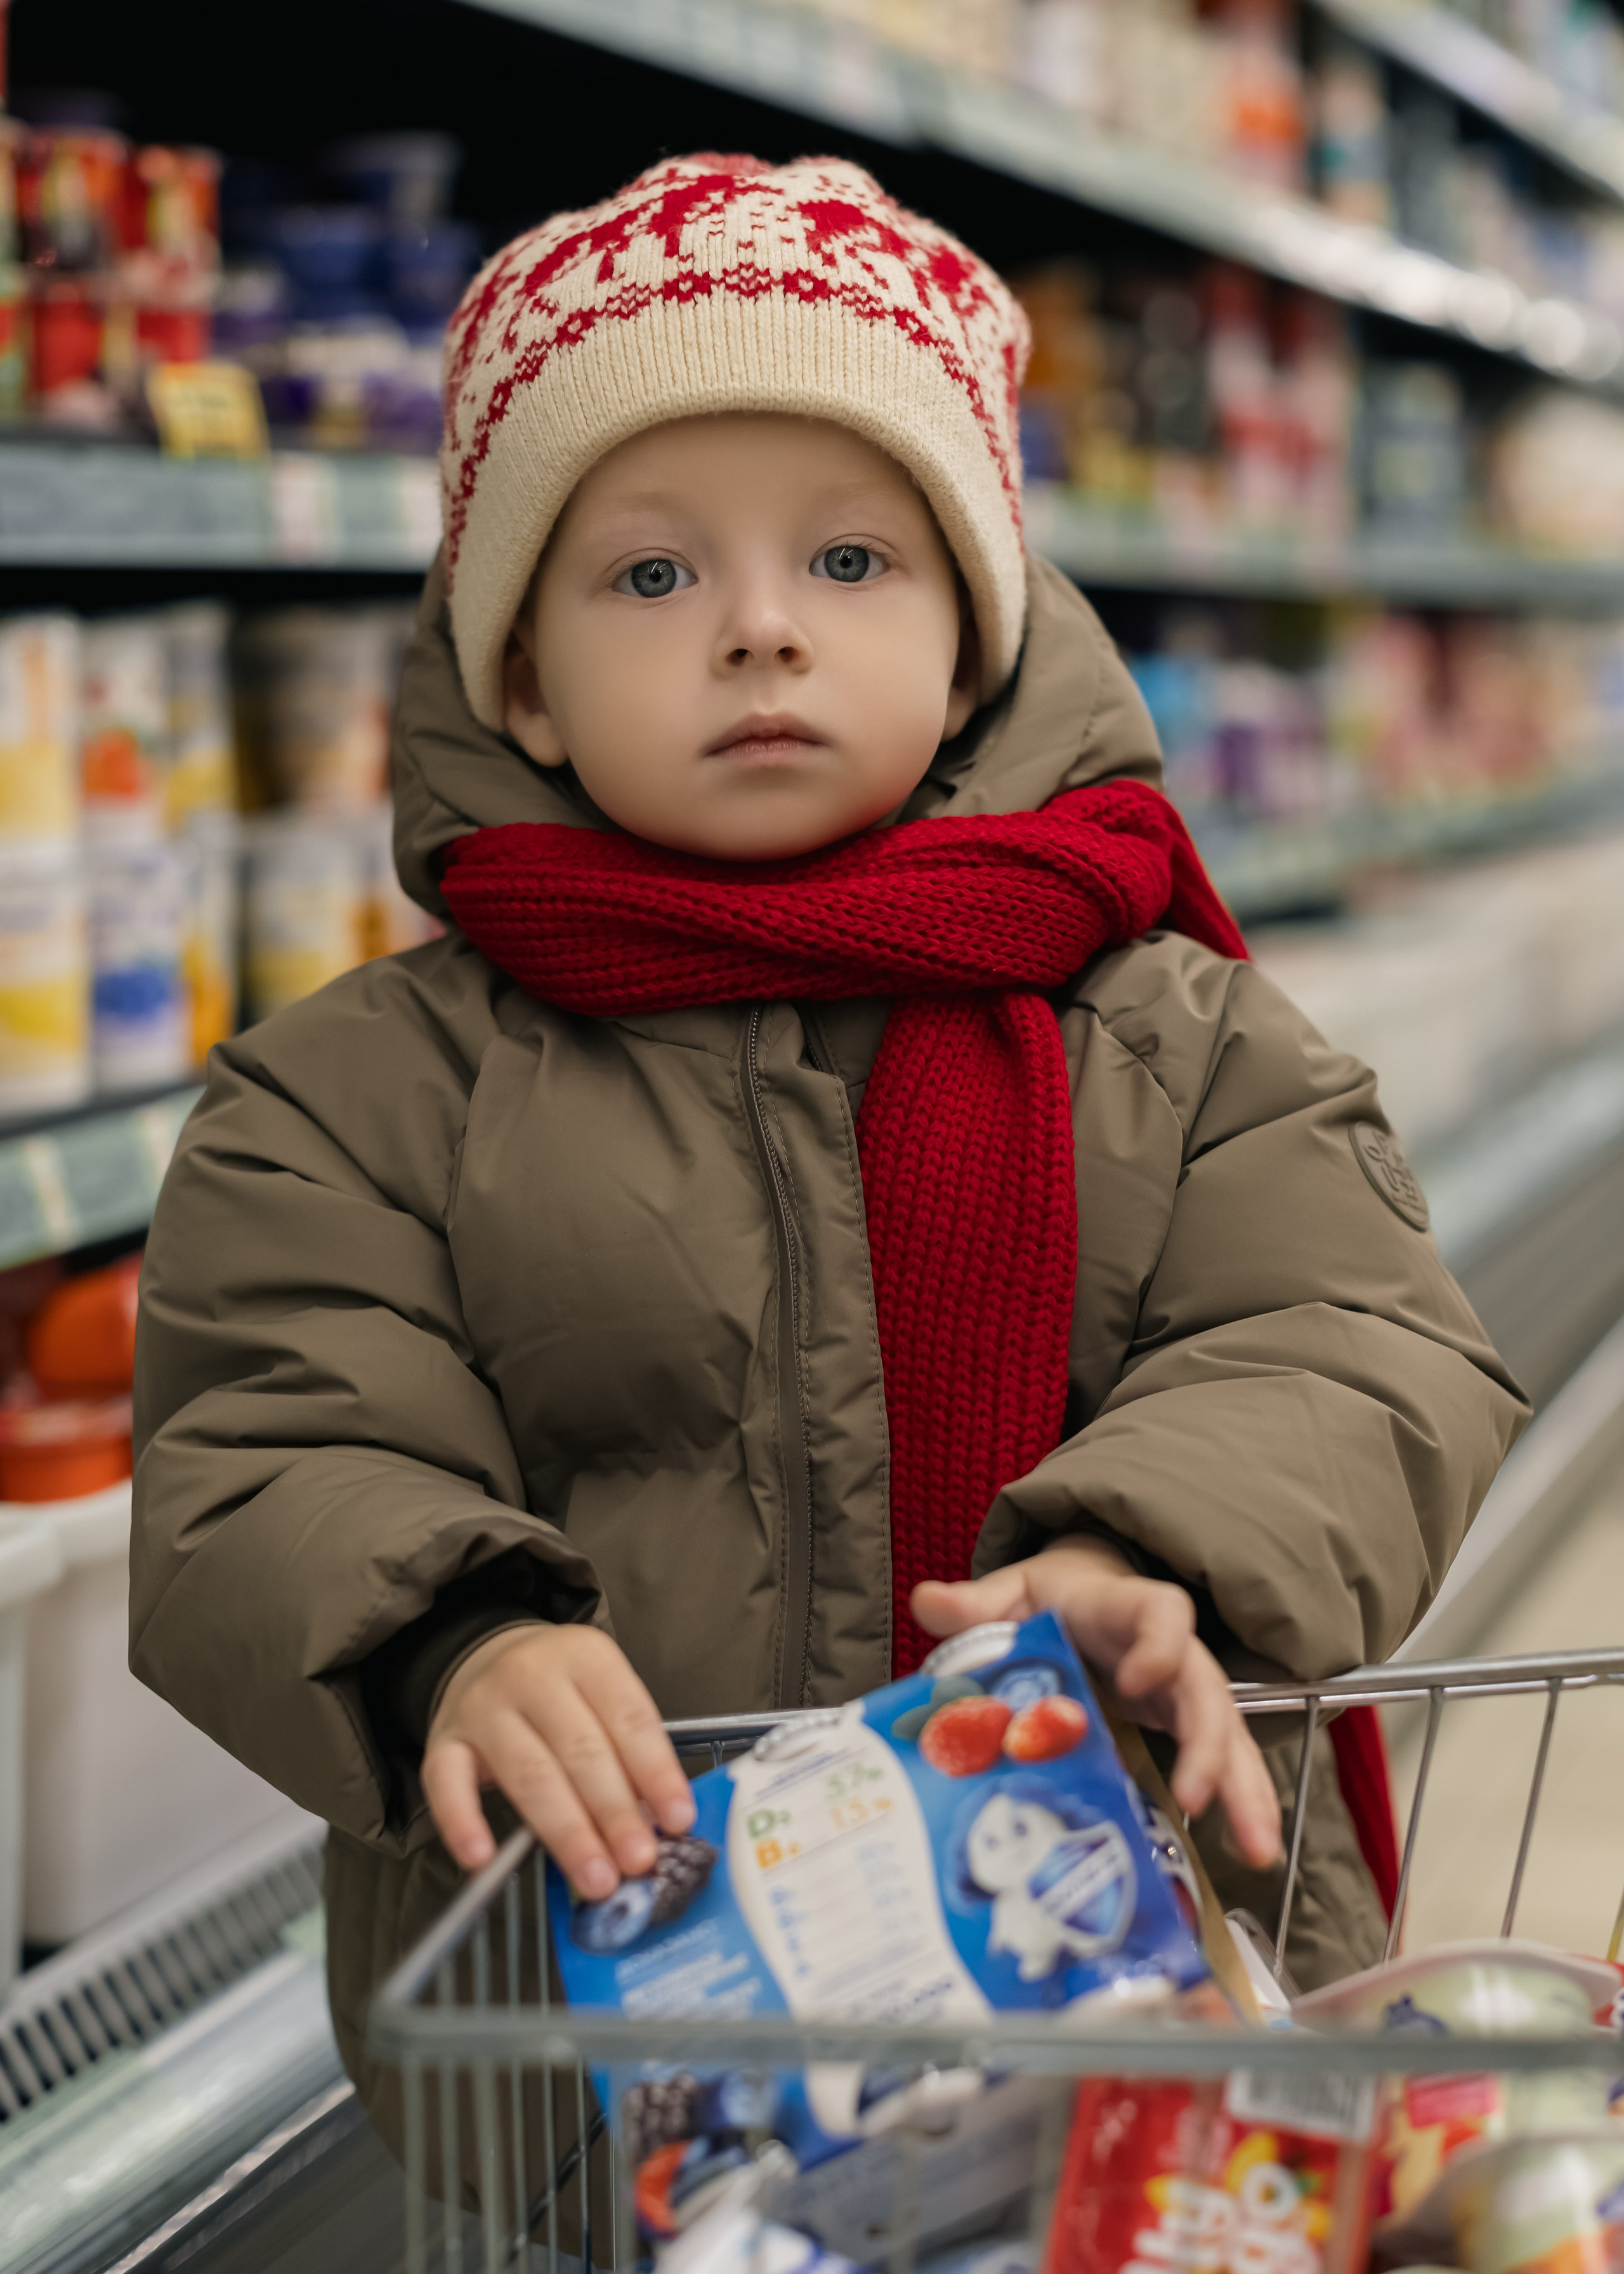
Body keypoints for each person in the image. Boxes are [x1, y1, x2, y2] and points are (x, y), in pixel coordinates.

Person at [131, 155, 1526, 2129]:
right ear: (518, 679)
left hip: (1120, 1991)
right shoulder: (345, 1105)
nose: (761, 632)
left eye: (853, 562)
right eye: (650, 573)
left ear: (977, 640)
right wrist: (447, 1635)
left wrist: (1154, 1545)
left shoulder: (1173, 1032)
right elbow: (272, 1442)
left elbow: (1357, 1342)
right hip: (610, 2060)